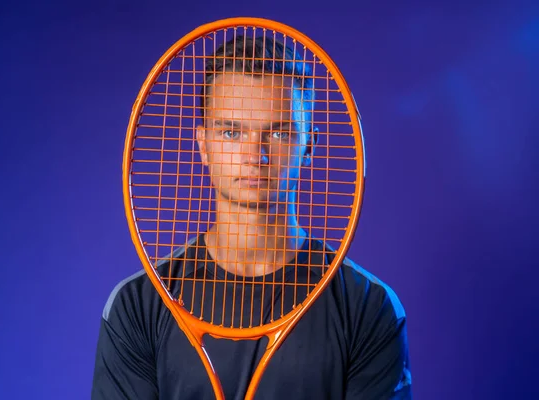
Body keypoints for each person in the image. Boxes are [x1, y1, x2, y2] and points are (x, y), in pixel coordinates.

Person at [91, 34, 412, 399]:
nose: (255, 155)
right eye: (231, 131)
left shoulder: (367, 307)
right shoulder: (139, 304)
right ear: (203, 145)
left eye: (278, 132)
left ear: (309, 146)